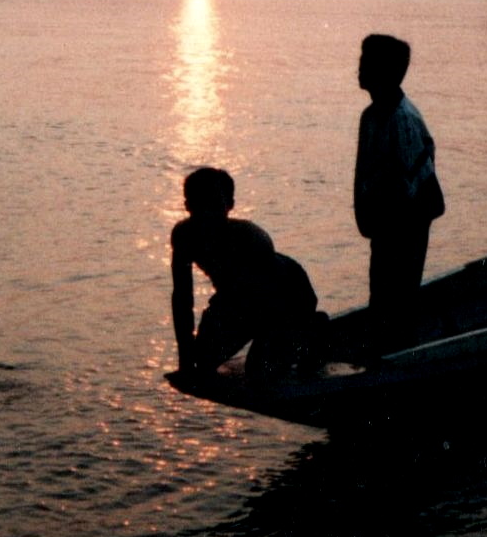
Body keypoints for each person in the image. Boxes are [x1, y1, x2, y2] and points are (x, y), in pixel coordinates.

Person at [170, 168, 320, 378]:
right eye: (198, 205)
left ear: (229, 205)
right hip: (235, 297)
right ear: (187, 206)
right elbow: (182, 297)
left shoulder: (251, 238)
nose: (206, 214)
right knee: (201, 362)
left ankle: (313, 328)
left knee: (260, 370)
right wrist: (185, 358)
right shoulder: (184, 236)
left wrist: (267, 340)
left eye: (213, 205)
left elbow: (267, 301)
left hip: (288, 295)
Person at [354, 34, 444, 339]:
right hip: (387, 219)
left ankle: (397, 350)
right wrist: (367, 220)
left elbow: (407, 187)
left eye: (366, 62)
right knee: (382, 293)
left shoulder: (401, 119)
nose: (359, 67)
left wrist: (383, 225)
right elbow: (364, 173)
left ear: (387, 73)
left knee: (397, 294)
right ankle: (386, 342)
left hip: (407, 218)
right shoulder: (371, 117)